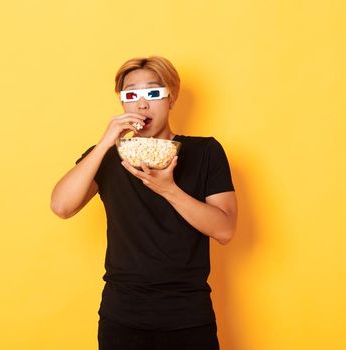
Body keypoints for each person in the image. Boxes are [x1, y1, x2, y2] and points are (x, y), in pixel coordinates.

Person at [49, 56, 238, 350]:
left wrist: (169, 189)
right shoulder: (107, 157)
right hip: (122, 315)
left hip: (188, 315)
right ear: (122, 101)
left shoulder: (205, 151)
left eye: (153, 93)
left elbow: (225, 230)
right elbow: (62, 206)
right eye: (131, 94)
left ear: (171, 98)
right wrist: (105, 143)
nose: (142, 104)